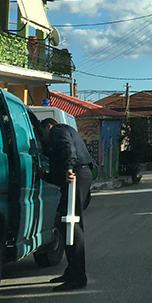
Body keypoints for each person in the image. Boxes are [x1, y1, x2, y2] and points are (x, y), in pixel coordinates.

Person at [38, 116, 95, 292]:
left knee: (72, 225)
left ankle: (78, 277)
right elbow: (58, 174)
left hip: (76, 174)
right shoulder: (61, 132)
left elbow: (67, 148)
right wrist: (44, 175)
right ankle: (72, 272)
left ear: (48, 126)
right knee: (65, 222)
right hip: (76, 175)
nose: (43, 139)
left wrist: (69, 168)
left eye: (42, 134)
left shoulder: (58, 129)